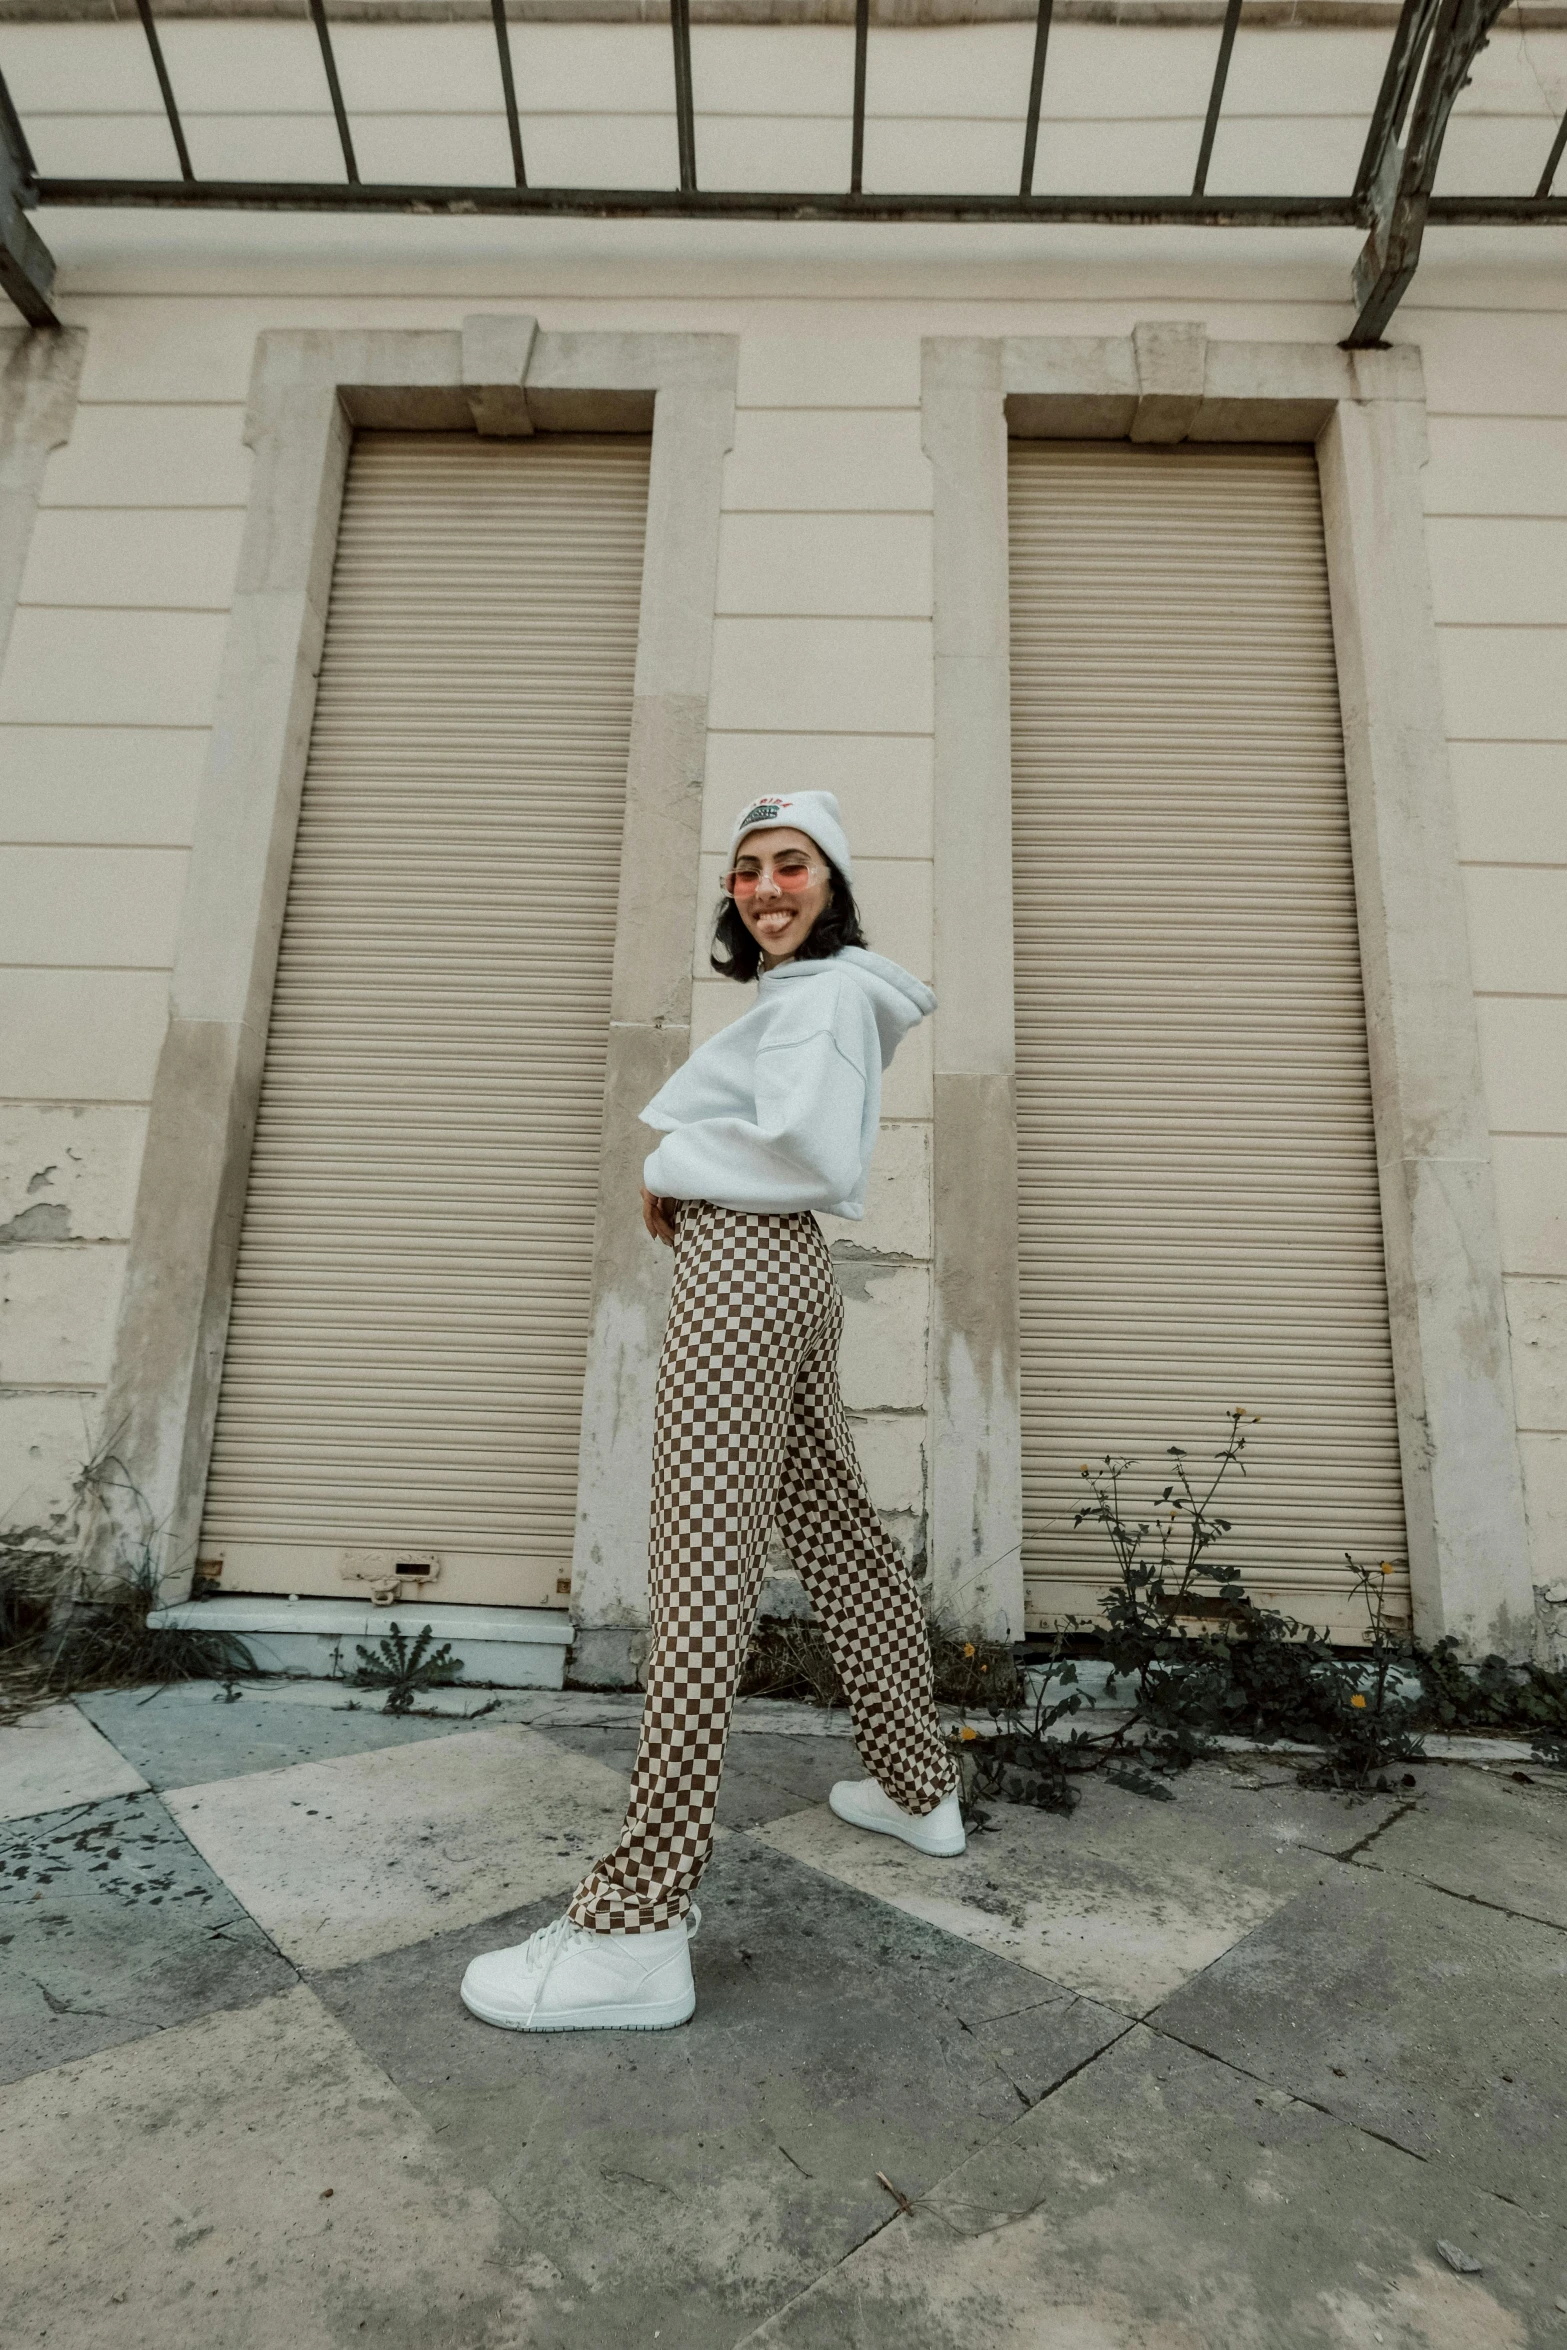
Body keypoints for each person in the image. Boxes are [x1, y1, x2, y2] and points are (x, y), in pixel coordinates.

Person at [460, 791, 963, 2034]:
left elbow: (803, 1152)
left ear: (833, 886)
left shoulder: (825, 996)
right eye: (745, 870)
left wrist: (667, 1167)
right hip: (774, 1267)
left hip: (748, 1267)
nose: (764, 886)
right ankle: (917, 1781)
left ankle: (637, 1920)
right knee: (832, 1529)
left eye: (791, 865)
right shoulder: (805, 999)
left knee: (700, 1565)